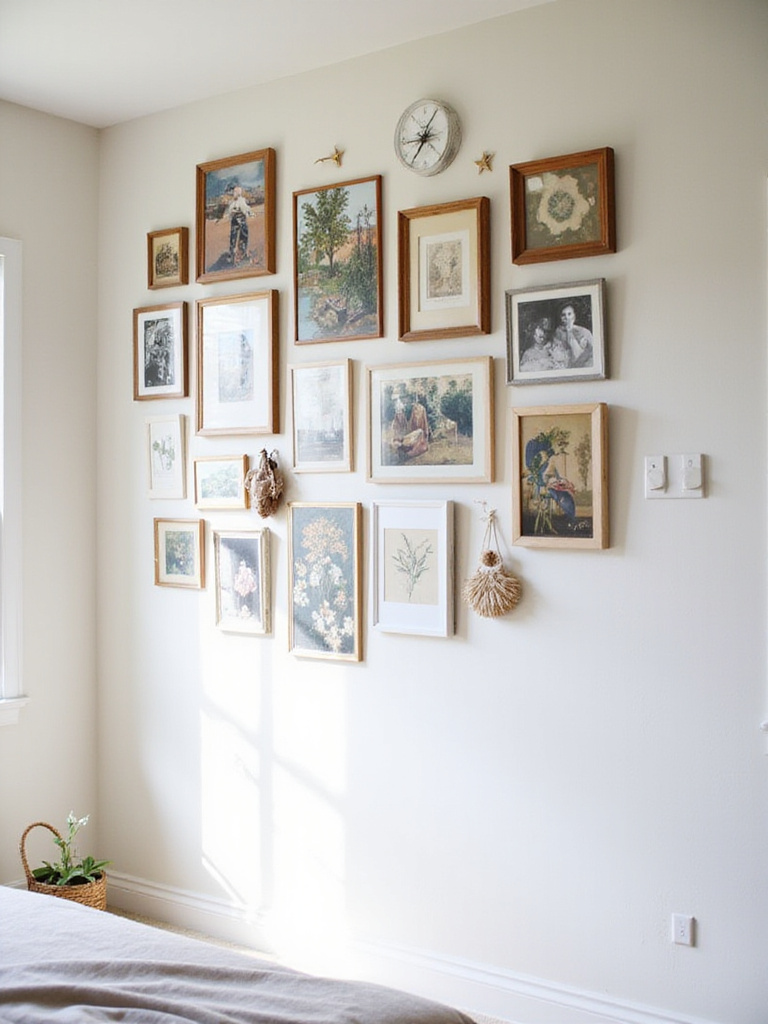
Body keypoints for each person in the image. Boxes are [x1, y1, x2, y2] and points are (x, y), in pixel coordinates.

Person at [553, 303, 594, 368]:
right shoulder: (558, 332)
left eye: (569, 314)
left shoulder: (584, 331)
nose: (566, 317)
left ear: (574, 316)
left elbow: (589, 352)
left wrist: (569, 331)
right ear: (560, 317)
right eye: (563, 315)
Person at [220, 185, 253, 263]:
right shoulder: (232, 202)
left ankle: (242, 253)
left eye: (235, 192)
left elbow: (246, 209)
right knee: (233, 236)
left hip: (241, 219)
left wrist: (249, 214)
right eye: (234, 192)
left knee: (243, 235)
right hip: (234, 219)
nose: (234, 193)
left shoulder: (242, 200)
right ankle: (232, 254)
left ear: (239, 193)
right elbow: (229, 211)